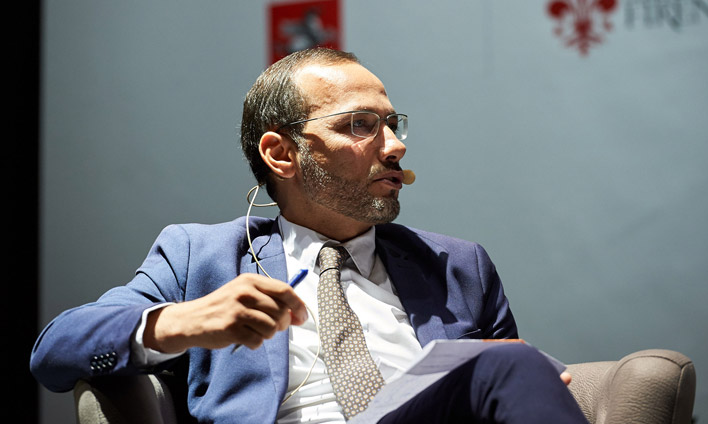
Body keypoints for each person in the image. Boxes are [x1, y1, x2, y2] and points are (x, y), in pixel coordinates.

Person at [30, 48, 587, 423]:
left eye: (393, 124)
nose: (395, 146)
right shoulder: (200, 256)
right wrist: (182, 321)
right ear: (281, 153)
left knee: (510, 364)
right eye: (361, 125)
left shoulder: (458, 265)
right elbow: (55, 350)